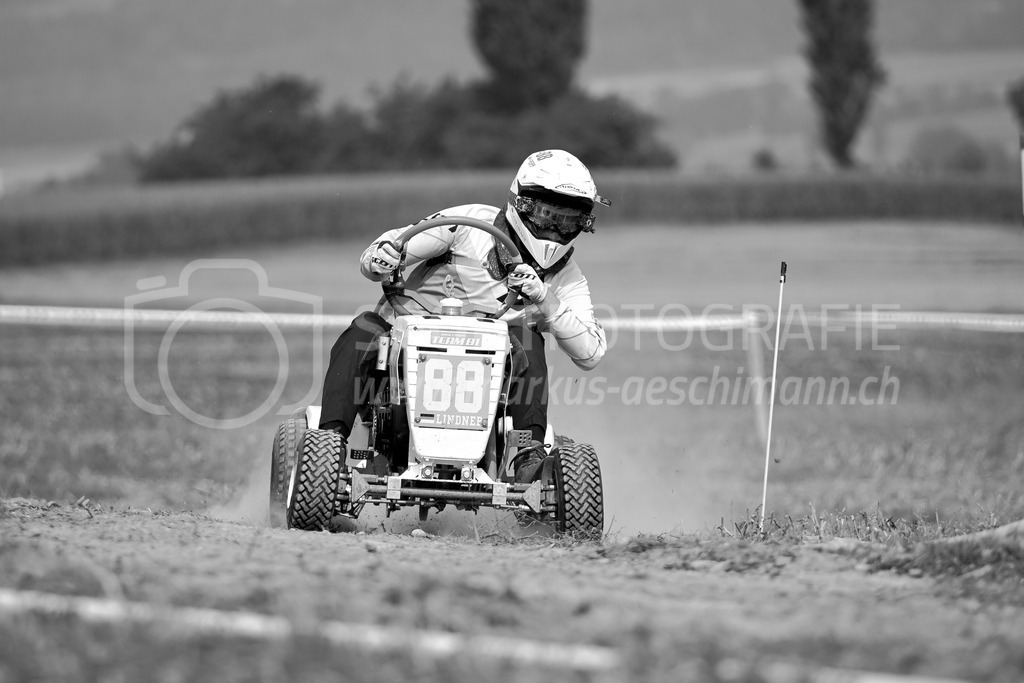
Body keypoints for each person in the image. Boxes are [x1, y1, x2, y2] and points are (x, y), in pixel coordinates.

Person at [319, 149, 608, 482]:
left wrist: (545, 298)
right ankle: (330, 445)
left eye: (569, 222)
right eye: (548, 217)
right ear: (523, 205)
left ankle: (530, 460)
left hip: (489, 381)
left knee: (529, 341)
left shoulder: (567, 277)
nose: (556, 230)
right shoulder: (467, 224)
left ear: (583, 224)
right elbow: (395, 245)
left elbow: (590, 353)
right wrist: (381, 255)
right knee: (364, 329)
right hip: (402, 353)